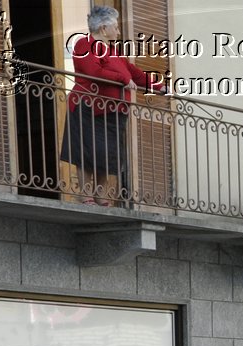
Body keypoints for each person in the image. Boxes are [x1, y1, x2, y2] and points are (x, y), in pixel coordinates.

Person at [60, 7, 167, 206]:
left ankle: (100, 195)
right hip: (88, 105)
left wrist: (159, 86)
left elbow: (134, 73)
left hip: (111, 110)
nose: (118, 32)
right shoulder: (84, 44)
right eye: (115, 28)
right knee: (85, 153)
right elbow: (94, 71)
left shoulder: (113, 52)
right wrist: (123, 79)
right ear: (103, 28)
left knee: (106, 154)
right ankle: (86, 195)